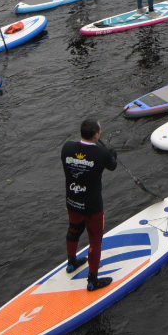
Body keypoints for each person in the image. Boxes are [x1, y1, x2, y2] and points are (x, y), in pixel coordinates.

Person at [62, 118, 119, 292]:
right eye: (99, 131)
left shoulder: (67, 148)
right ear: (96, 135)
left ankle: (71, 263)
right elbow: (113, 165)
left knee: (73, 230)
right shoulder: (101, 153)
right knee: (95, 240)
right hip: (92, 206)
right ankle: (92, 281)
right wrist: (112, 153)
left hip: (72, 201)